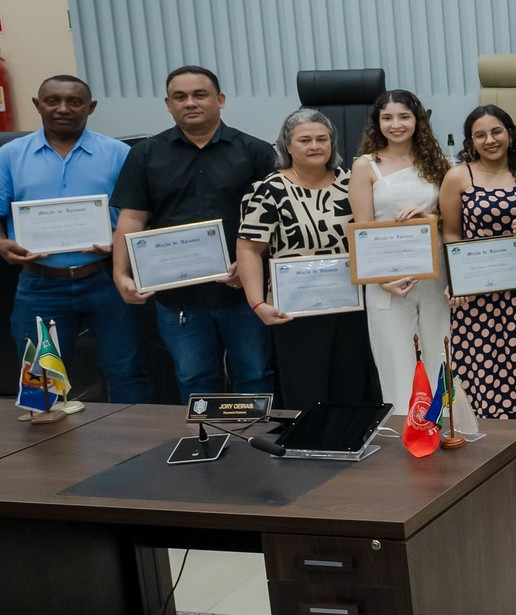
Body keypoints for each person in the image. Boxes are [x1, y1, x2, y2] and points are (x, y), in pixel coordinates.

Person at [0, 75, 147, 401]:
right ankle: (51, 450)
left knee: (127, 372)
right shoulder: (9, 156)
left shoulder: (118, 153)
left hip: (106, 279)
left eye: (74, 101)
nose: (63, 109)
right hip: (40, 284)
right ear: (38, 105)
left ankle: (137, 447)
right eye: (53, 101)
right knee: (41, 381)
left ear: (91, 107)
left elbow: (140, 211)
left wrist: (118, 240)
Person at [111, 66, 278, 400]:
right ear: (167, 104)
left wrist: (250, 266)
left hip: (243, 293)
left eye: (199, 95)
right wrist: (120, 273)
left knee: (256, 373)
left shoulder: (255, 151)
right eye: (180, 97)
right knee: (194, 379)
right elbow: (131, 217)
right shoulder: (145, 154)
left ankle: (256, 448)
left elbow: (277, 221)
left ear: (220, 99)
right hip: (178, 298)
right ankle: (205, 443)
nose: (190, 103)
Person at [235, 110, 376, 411]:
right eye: (305, 140)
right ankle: (310, 453)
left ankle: (353, 448)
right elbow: (248, 249)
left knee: (352, 387)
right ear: (287, 146)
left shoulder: (351, 182)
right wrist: (257, 303)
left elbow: (373, 234)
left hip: (350, 305)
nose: (315, 146)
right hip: (296, 310)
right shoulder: (269, 190)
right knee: (306, 392)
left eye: (322, 139)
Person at [438, 106, 516, 424]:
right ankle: (485, 427)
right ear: (470, 140)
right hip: (476, 287)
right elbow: (451, 231)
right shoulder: (459, 175)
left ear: (510, 133)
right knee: (481, 358)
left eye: (497, 131)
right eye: (480, 134)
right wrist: (456, 278)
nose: (490, 140)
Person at [348, 90, 455, 426]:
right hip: (386, 278)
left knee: (441, 351)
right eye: (387, 118)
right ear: (377, 123)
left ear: (418, 120)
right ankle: (407, 433)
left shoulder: (438, 163)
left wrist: (431, 216)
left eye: (404, 117)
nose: (396, 125)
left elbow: (452, 219)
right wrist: (381, 280)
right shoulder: (365, 166)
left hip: (434, 272)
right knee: (396, 358)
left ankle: (445, 423)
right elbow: (362, 230)